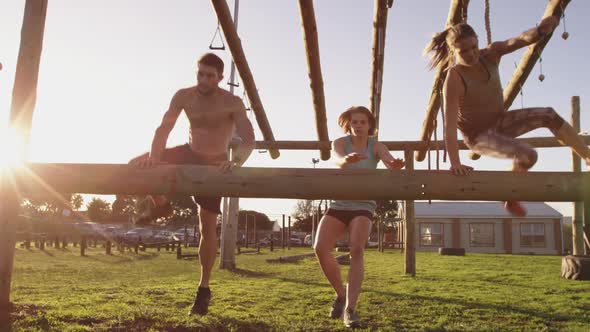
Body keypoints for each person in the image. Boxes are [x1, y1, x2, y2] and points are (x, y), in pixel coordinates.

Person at [125, 52, 254, 315]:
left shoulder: (233, 102)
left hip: (215, 164)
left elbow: (249, 138)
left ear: (219, 78)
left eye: (210, 75)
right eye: (200, 74)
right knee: (136, 166)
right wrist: (155, 160)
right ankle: (161, 205)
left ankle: (203, 288)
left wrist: (236, 161)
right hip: (188, 152)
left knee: (206, 225)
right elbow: (163, 128)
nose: (204, 79)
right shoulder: (184, 95)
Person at [425, 16, 590, 216]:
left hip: (500, 122)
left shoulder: (492, 53)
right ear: (453, 51)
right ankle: (510, 195)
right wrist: (455, 162)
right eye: (463, 51)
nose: (471, 54)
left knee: (549, 114)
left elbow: (518, 40)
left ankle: (588, 157)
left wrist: (540, 31)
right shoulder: (454, 78)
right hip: (478, 137)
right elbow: (449, 126)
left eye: (474, 47)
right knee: (529, 155)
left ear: (478, 40)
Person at [313, 106, 405, 328]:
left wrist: (394, 165)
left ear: (369, 125)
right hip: (339, 202)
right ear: (348, 124)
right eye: (354, 122)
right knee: (319, 247)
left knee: (357, 249)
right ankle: (340, 294)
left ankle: (350, 310)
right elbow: (337, 159)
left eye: (363, 122)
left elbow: (388, 160)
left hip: (363, 204)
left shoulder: (376, 145)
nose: (358, 126)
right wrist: (347, 160)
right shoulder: (340, 143)